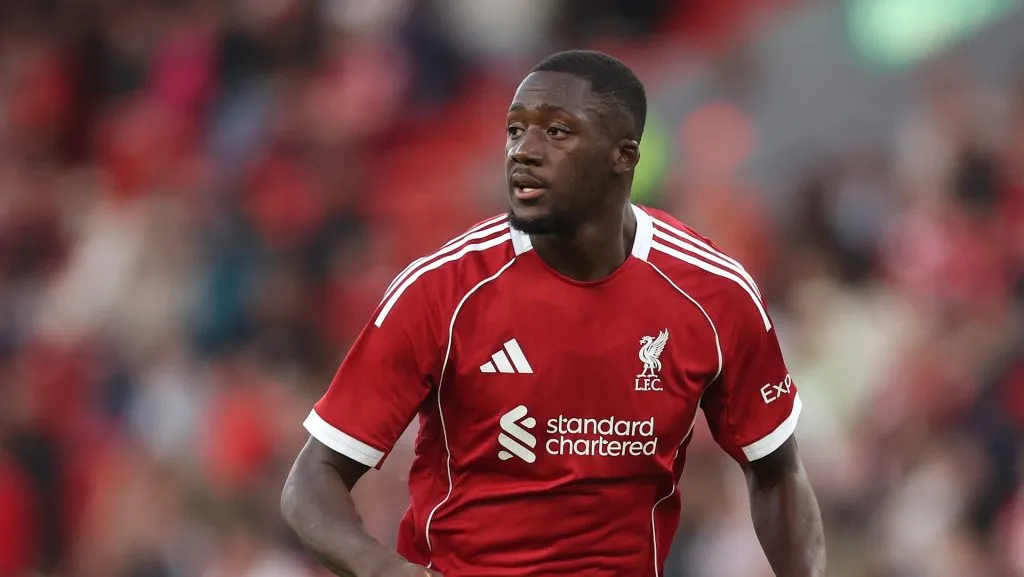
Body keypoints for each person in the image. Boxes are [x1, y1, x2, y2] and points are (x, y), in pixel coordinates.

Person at [281, 50, 826, 577]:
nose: (523, 150)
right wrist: (384, 570)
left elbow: (776, 472)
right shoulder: (441, 290)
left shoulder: (714, 293)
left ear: (624, 155)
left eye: (556, 132)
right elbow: (313, 477)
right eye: (516, 130)